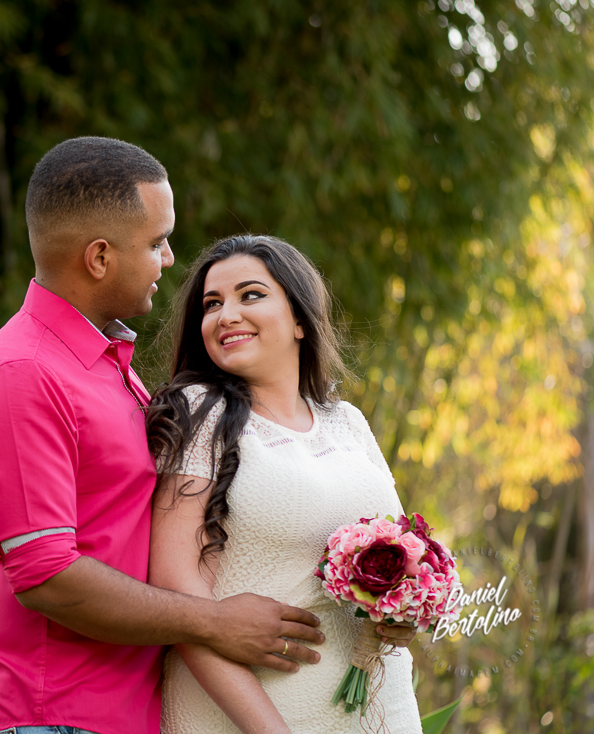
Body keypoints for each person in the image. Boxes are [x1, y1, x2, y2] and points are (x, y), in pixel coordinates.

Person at [0, 140, 324, 734]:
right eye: (156, 243)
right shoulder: (22, 374)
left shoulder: (104, 364)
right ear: (99, 257)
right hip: (45, 717)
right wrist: (212, 622)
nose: (170, 259)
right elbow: (47, 577)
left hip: (123, 713)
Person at [146, 234, 423, 734]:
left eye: (250, 295)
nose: (226, 314)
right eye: (212, 303)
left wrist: (406, 610)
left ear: (300, 320)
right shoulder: (200, 413)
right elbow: (174, 589)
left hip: (382, 708)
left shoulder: (347, 422)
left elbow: (407, 552)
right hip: (250, 715)